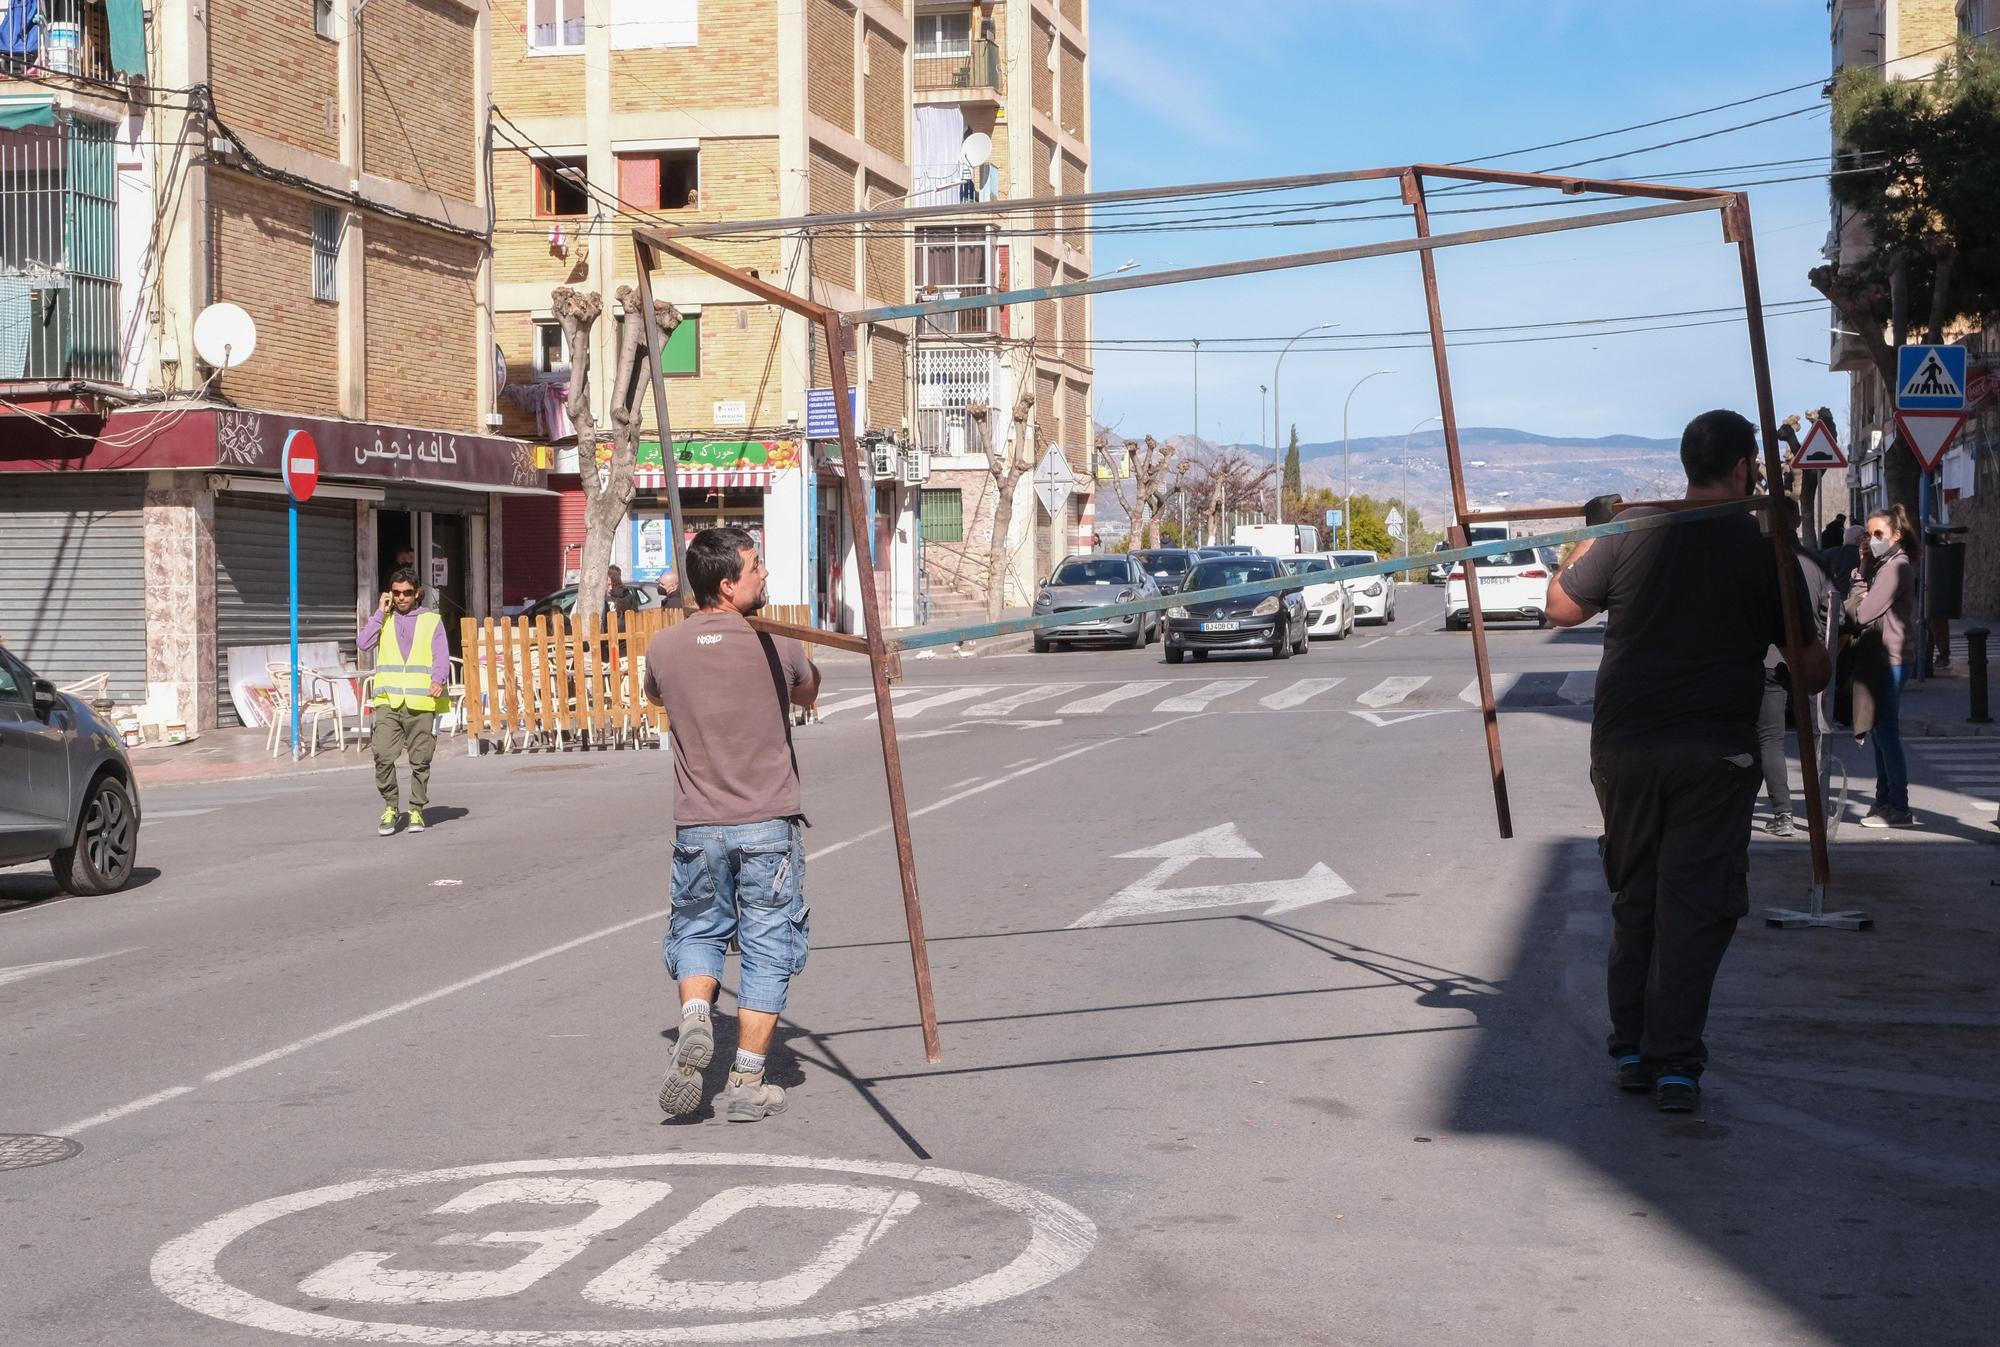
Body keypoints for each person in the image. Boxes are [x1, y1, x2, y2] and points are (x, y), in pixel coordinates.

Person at [1546, 410, 1829, 1114]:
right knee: (1694, 903)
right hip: (1714, 750)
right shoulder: (1763, 548)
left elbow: (1560, 607)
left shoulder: (1633, 528)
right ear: (1742, 470)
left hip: (1624, 746)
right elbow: (1812, 672)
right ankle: (1672, 1058)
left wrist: (1579, 547)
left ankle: (1633, 1046)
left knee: (1636, 892)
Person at [644, 526, 820, 1122]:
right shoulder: (776, 643)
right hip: (767, 824)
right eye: (756, 567)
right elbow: (807, 694)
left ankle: (696, 1017)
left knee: (697, 930)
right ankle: (747, 1083)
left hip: (698, 825)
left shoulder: (664, 649)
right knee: (769, 949)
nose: (764, 574)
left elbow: (659, 696)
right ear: (727, 584)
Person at [1756, 498, 1833, 838]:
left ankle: (1784, 814)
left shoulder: (1760, 561)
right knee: (1812, 737)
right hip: (1809, 659)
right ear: (1798, 520)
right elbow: (1836, 615)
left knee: (1770, 739)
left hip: (1770, 661)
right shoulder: (1816, 562)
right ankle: (1816, 810)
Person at [358, 570, 451, 836]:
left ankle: (416, 810)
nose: (401, 598)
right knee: (383, 755)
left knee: (420, 760)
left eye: (407, 592)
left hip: (421, 701)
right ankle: (390, 806)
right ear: (389, 594)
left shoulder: (431, 621)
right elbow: (363, 643)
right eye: (396, 593)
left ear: (417, 593)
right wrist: (379, 613)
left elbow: (441, 655)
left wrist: (438, 679)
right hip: (389, 701)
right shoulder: (383, 619)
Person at [1851, 505, 1919, 828]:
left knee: (1886, 732)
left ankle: (1898, 805)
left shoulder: (1895, 568)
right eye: (1868, 533)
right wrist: (1864, 562)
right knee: (1880, 732)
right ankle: (1883, 799)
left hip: (1891, 658)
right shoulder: (1884, 563)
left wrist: (1860, 587)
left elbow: (1863, 614)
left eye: (1878, 534)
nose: (1872, 539)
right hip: (1885, 657)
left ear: (1895, 535)